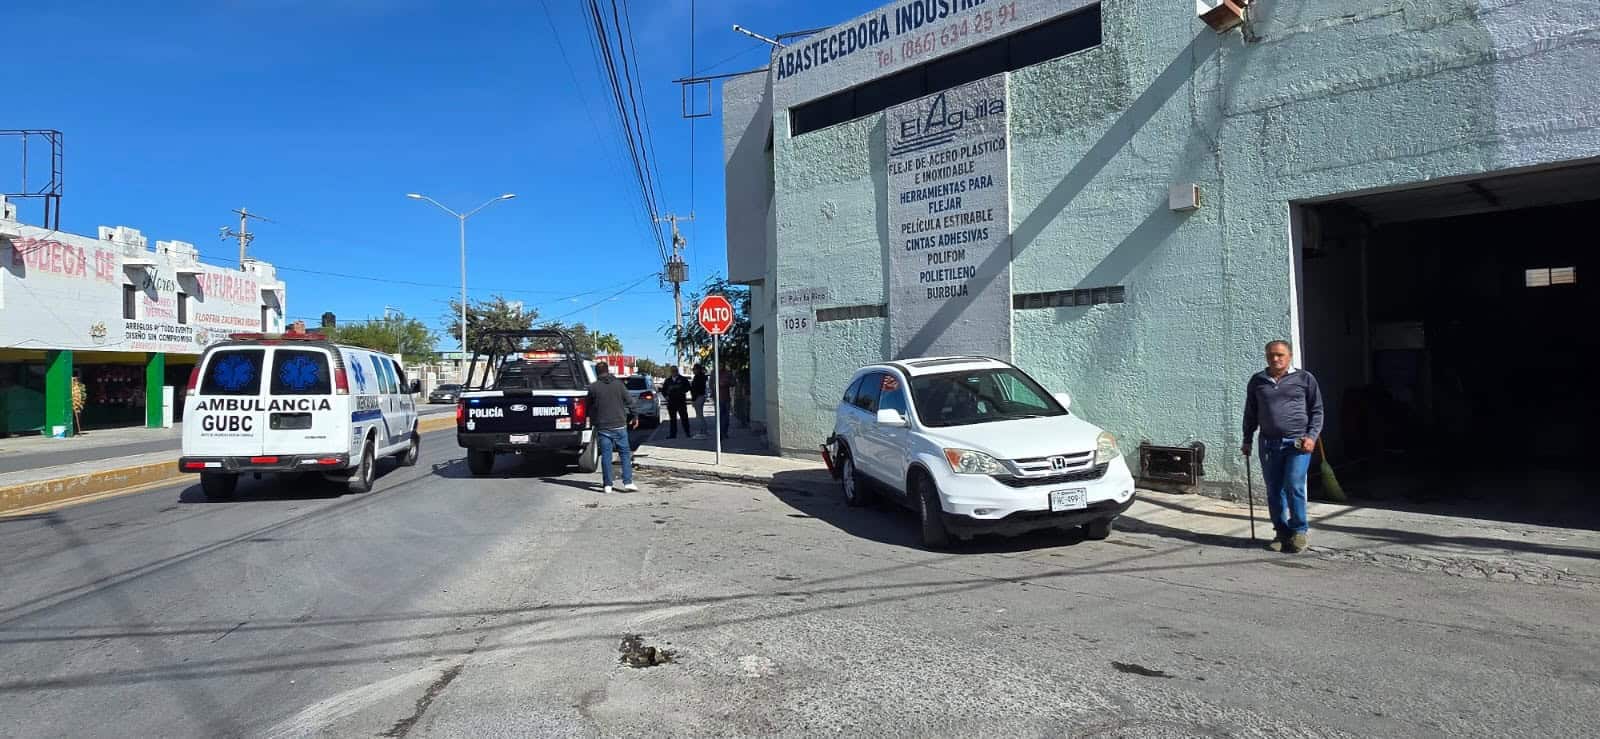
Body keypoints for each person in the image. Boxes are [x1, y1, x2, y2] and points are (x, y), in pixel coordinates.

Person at [1242, 340, 1324, 553]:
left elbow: (1317, 411)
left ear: (1289, 356)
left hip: (1298, 443)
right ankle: (1281, 531)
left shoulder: (1304, 378)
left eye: (1279, 355)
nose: (1275, 359)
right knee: (1274, 490)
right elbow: (1251, 413)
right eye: (1271, 355)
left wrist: (1311, 437)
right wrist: (1247, 439)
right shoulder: (1258, 381)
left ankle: (1299, 531)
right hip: (1269, 444)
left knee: (1294, 484)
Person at [585, 361, 639, 493]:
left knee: (606, 456)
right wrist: (635, 417)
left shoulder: (593, 388)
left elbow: (589, 407)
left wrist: (592, 421)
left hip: (603, 426)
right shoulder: (619, 385)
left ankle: (607, 485)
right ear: (608, 370)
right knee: (625, 454)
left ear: (597, 373)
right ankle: (628, 482)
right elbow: (630, 402)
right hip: (619, 425)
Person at [660, 366, 692, 439]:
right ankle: (673, 435)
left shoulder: (683, 379)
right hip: (671, 402)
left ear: (677, 371)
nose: (674, 372)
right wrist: (666, 396)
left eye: (675, 370)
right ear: (671, 372)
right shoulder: (668, 380)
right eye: (672, 371)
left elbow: (688, 387)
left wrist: (681, 391)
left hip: (681, 401)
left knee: (684, 418)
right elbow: (663, 390)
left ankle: (687, 433)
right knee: (673, 419)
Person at [689, 363, 709, 439]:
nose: (693, 371)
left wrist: (694, 399)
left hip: (698, 397)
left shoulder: (699, 377)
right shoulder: (699, 377)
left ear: (697, 370)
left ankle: (704, 432)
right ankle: (702, 431)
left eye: (694, 369)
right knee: (699, 415)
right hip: (699, 397)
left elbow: (697, 389)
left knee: (700, 415)